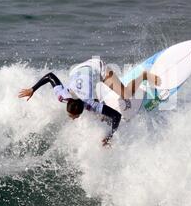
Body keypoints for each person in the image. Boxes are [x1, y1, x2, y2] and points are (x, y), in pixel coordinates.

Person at [18, 58, 160, 146]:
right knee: (100, 114)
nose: (73, 118)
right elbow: (50, 76)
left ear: (84, 107)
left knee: (126, 94)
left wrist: (111, 136)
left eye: (74, 116)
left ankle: (144, 76)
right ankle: (102, 110)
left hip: (97, 68)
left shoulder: (89, 102)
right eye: (71, 115)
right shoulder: (62, 95)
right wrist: (32, 89)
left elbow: (116, 115)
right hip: (78, 70)